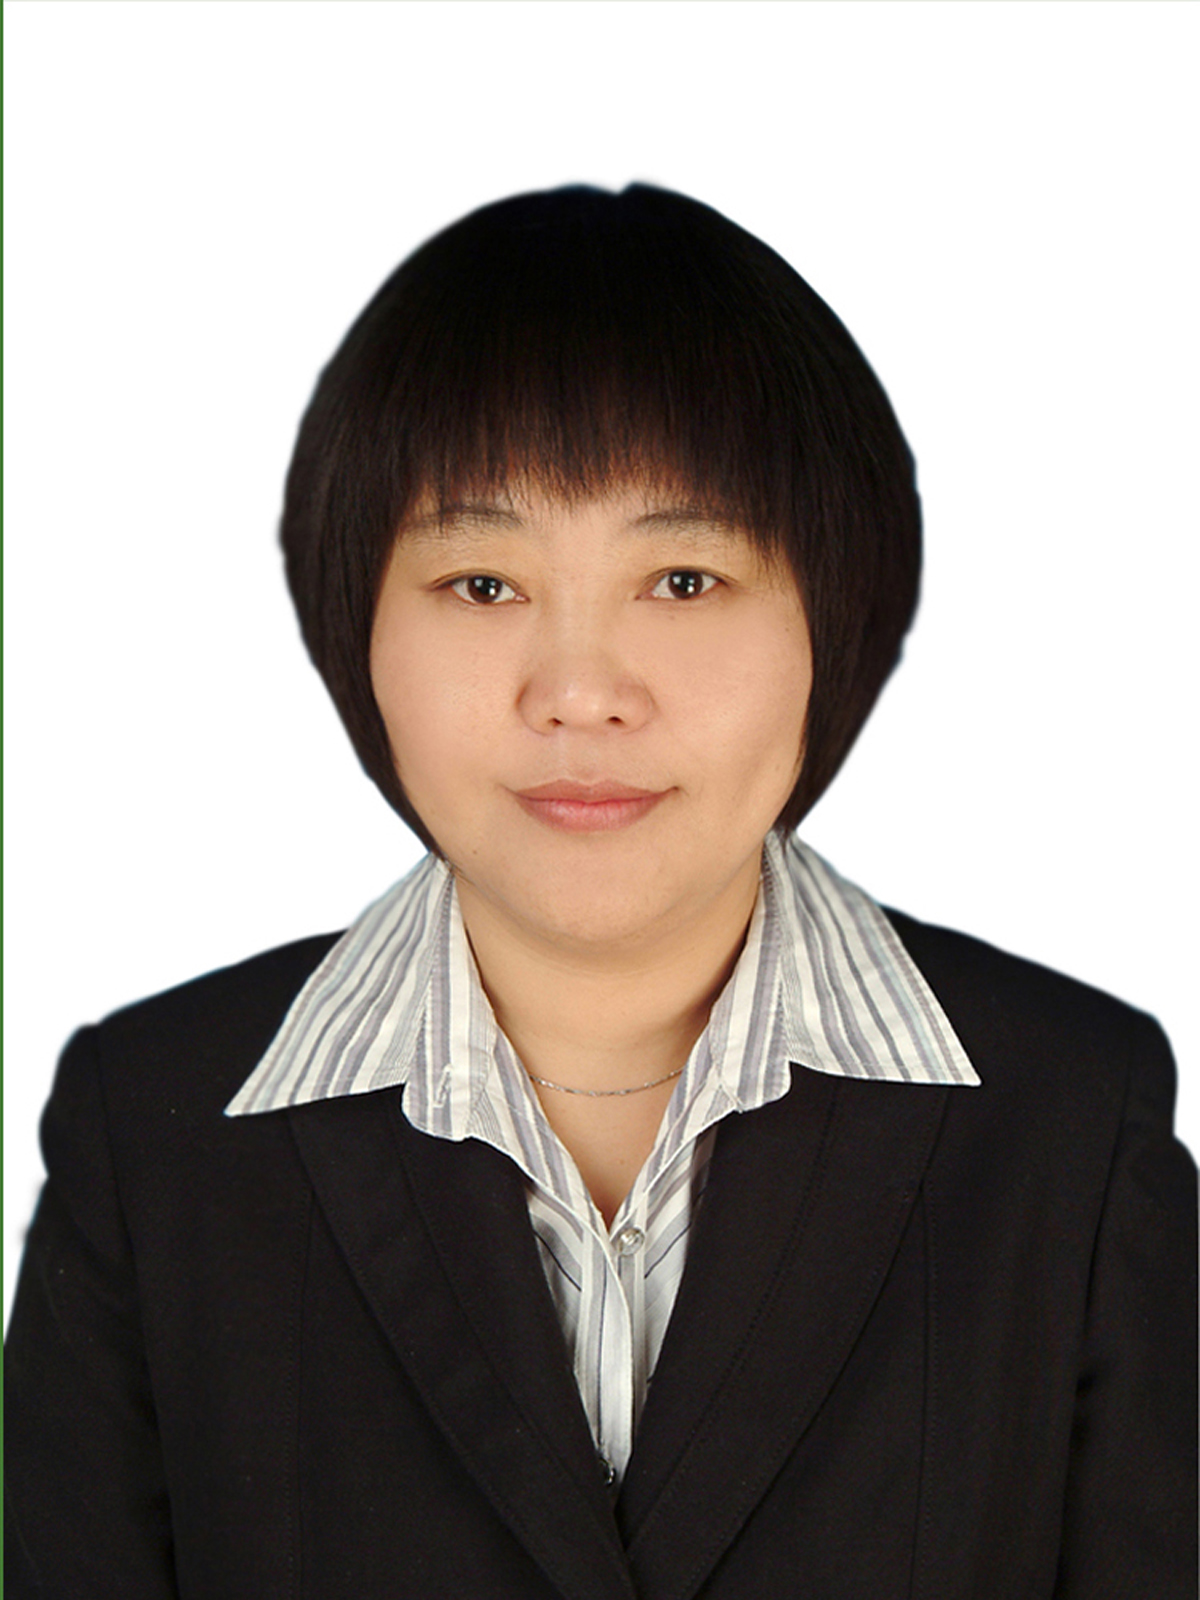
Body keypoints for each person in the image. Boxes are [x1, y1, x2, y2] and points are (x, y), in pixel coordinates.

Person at [5, 184, 1195, 1599]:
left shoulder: (1070, 1124)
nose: (579, 692)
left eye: (683, 579)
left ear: (836, 616)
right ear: (354, 626)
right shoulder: (152, 1138)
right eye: (482, 584)